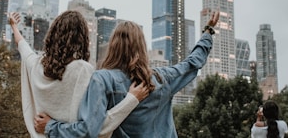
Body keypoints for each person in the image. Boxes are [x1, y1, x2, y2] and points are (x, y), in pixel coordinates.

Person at [34, 11, 220, 138]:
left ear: (113, 45)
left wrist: (51, 127)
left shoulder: (101, 80)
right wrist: (208, 32)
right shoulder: (162, 78)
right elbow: (193, 62)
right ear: (141, 46)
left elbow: (88, 130)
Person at [9, 11, 148, 138]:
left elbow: (22, 45)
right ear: (82, 39)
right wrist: (131, 100)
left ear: (52, 34)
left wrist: (14, 26)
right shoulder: (82, 70)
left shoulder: (36, 65)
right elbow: (95, 127)